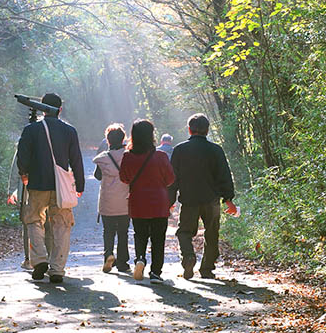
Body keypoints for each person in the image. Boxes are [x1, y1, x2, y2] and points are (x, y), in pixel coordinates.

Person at [16, 93, 85, 284]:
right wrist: (79, 184)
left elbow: (23, 155)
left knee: (33, 221)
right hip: (61, 187)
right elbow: (76, 160)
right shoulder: (69, 131)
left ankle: (39, 260)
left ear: (41, 107)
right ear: (60, 110)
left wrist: (24, 174)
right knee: (62, 225)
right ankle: (57, 270)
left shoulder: (31, 129)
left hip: (37, 184)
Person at [169, 113, 237, 280]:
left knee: (184, 232)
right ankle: (207, 268)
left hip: (189, 200)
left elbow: (172, 179)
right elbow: (224, 176)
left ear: (189, 130)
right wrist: (228, 200)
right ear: (207, 130)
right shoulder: (215, 150)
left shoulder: (180, 150)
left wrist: (169, 201)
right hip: (211, 200)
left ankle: (188, 257)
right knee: (212, 233)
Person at [119, 119, 175, 284]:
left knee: (140, 234)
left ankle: (140, 259)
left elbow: (124, 178)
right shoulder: (161, 156)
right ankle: (156, 272)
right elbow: (171, 179)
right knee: (158, 238)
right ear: (152, 135)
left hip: (138, 201)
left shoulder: (128, 157)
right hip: (159, 202)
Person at [91, 123, 131, 274]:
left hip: (107, 200)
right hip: (125, 200)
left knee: (108, 231)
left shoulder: (103, 158)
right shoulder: (128, 156)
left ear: (108, 140)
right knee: (123, 232)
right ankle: (123, 263)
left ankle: (108, 255)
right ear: (123, 139)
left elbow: (97, 176)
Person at [7, 148, 52, 271]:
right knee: (48, 225)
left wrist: (11, 190)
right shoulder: (50, 139)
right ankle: (48, 258)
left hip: (27, 191)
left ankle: (29, 259)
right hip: (49, 189)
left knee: (29, 225)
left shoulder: (26, 140)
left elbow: (16, 168)